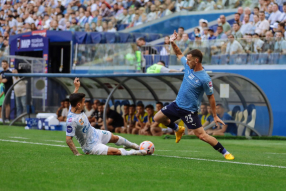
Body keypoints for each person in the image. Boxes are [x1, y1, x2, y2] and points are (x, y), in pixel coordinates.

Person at [153, 30, 235, 160]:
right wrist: (172, 42)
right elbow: (179, 53)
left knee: (202, 136)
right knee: (157, 118)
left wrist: (214, 115)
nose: (187, 62)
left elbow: (211, 97)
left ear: (196, 61)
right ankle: (177, 129)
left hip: (189, 111)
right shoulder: (188, 66)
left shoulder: (205, 78)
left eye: (189, 60)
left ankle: (225, 152)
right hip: (177, 104)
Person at [66, 78, 147, 156]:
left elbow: (73, 99)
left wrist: (76, 88)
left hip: (96, 133)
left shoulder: (73, 106)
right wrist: (77, 153)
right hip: (91, 146)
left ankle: (134, 146)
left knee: (115, 138)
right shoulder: (71, 120)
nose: (84, 104)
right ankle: (132, 152)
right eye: (83, 102)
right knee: (115, 152)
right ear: (78, 105)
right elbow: (68, 139)